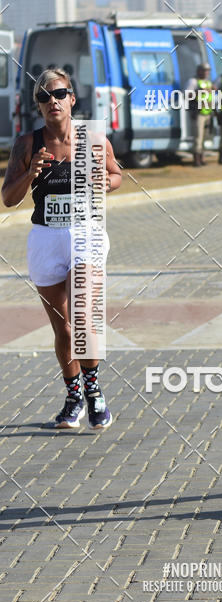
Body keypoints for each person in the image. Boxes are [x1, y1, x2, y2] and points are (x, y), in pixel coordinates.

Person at [1, 68, 121, 429]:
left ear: (72, 99)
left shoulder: (93, 139)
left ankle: (95, 394)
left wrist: (105, 181)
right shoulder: (27, 144)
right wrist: (30, 173)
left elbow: (116, 174)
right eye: (43, 96)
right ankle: (73, 397)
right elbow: (8, 198)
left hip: (86, 233)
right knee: (64, 330)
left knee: (83, 317)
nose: (52, 101)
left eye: (59, 94)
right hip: (46, 238)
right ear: (38, 105)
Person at [186, 63, 213, 166]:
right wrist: (199, 92)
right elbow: (186, 95)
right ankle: (196, 159)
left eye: (208, 70)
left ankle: (202, 158)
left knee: (205, 137)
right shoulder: (193, 81)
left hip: (208, 113)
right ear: (199, 71)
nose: (206, 72)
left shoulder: (208, 82)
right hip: (198, 113)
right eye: (204, 70)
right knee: (198, 137)